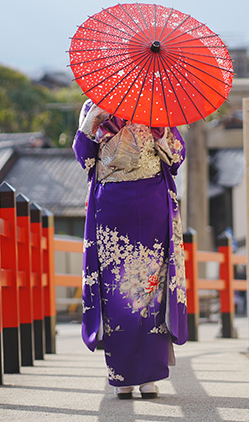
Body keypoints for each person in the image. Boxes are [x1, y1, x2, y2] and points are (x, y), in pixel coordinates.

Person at [72, 100, 189, 399]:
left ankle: (136, 377)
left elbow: (85, 156)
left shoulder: (141, 105)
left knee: (135, 289)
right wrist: (93, 124)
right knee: (133, 290)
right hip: (131, 202)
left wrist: (158, 132)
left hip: (132, 202)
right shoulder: (139, 104)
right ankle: (135, 376)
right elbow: (176, 157)